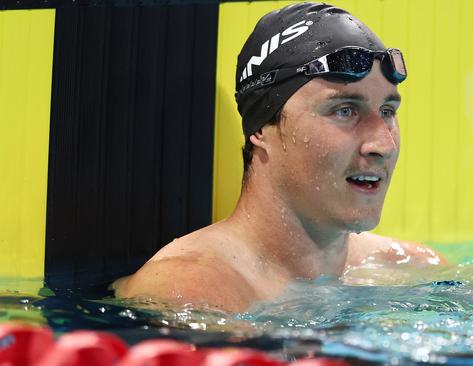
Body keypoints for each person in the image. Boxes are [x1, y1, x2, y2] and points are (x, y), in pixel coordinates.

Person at [113, 2, 446, 312]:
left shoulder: (412, 268)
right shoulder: (188, 290)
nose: (382, 145)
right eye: (345, 110)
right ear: (262, 128)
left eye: (387, 111)